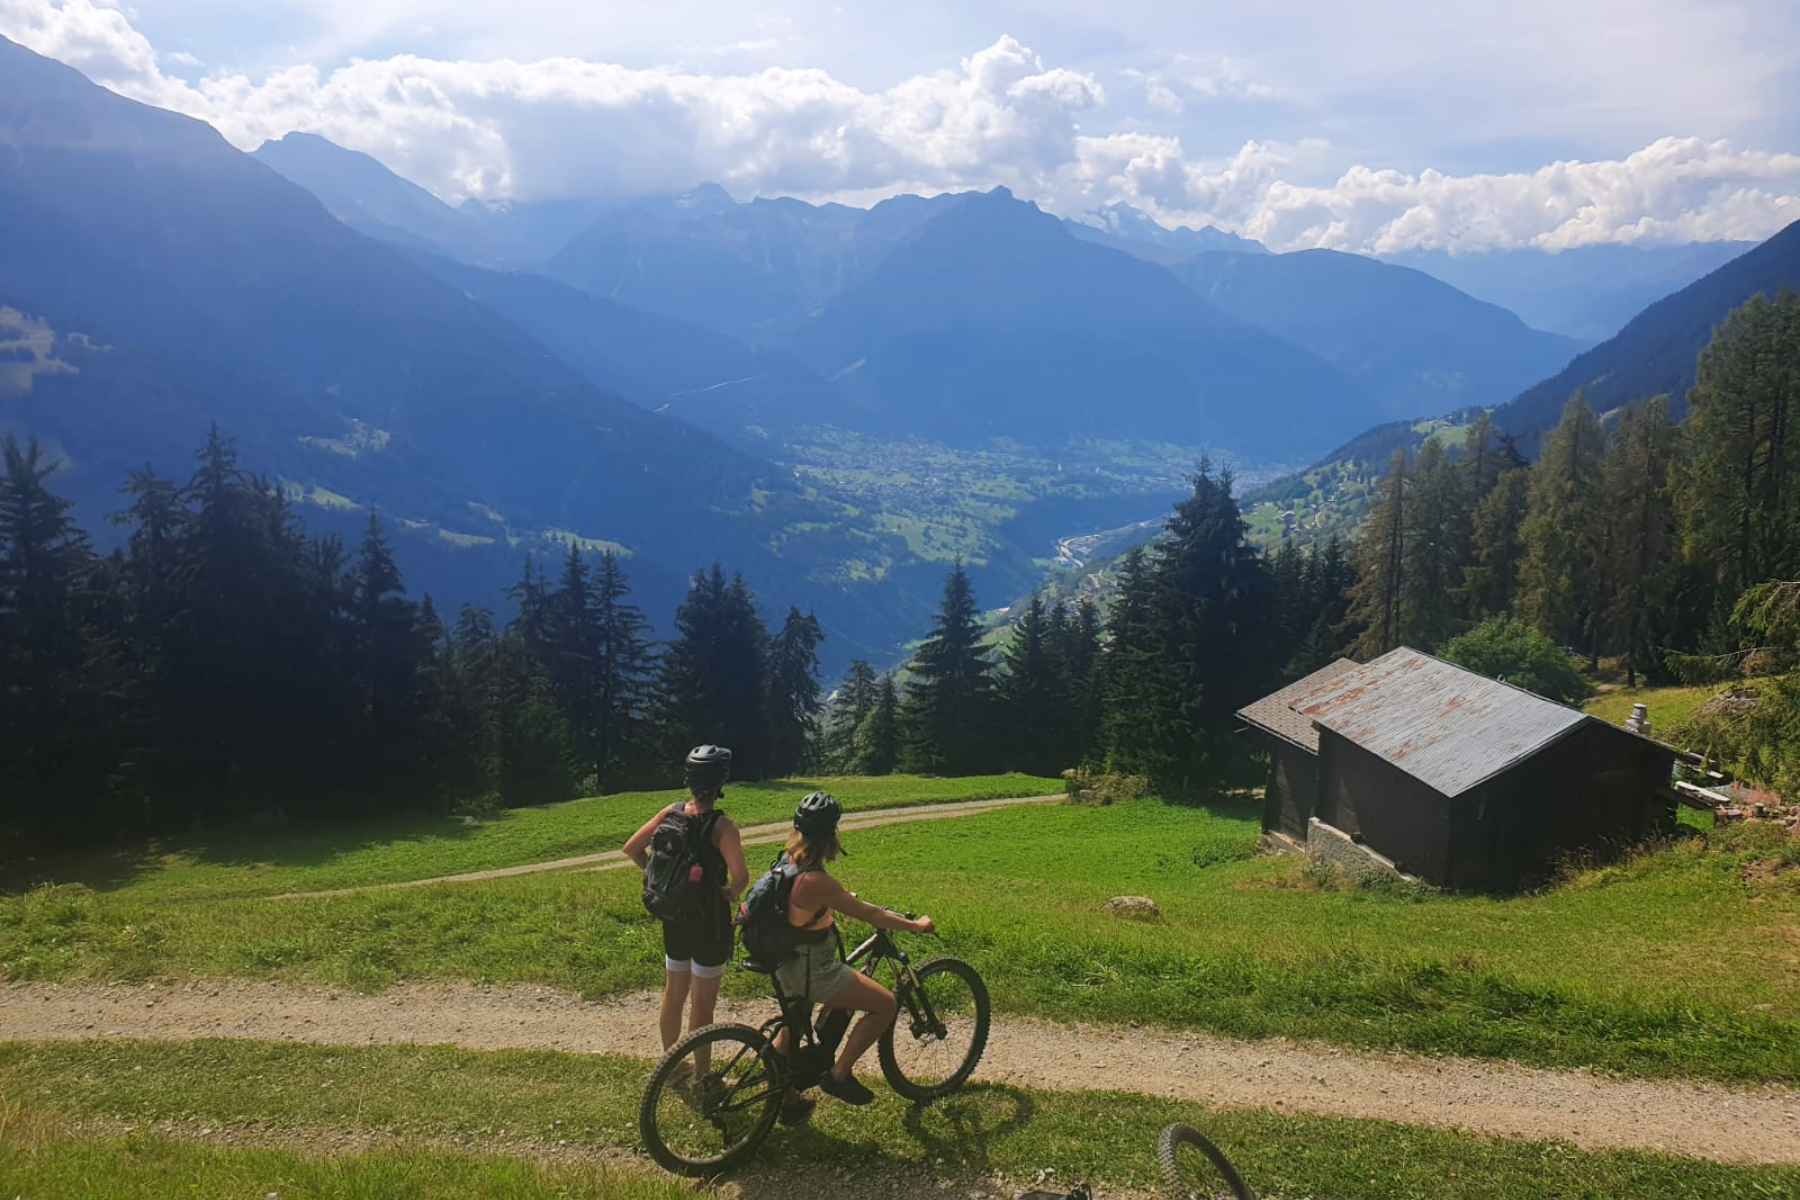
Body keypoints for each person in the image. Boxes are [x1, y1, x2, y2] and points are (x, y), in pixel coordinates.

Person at [775, 791, 935, 1106]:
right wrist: (915, 926)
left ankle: (782, 1092)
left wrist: (839, 898)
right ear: (831, 835)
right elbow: (871, 915)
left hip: (784, 961)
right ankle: (838, 1076)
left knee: (795, 1022)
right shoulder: (817, 881)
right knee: (886, 1004)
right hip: (812, 970)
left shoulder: (787, 861)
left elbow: (808, 903)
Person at [624, 745, 749, 1062]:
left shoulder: (671, 813)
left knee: (674, 993)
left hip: (674, 915)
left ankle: (670, 1064)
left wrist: (659, 876)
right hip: (710, 922)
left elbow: (632, 848)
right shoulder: (722, 827)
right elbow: (740, 876)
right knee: (703, 1002)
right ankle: (703, 1076)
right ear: (721, 782)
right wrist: (728, 893)